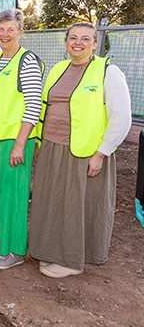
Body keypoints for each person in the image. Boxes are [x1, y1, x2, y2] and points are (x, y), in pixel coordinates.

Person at [29, 22, 131, 278]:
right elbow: (45, 107)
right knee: (52, 203)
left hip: (84, 153)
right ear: (66, 42)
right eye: (73, 37)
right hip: (52, 148)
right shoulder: (58, 69)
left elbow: (121, 118)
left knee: (74, 207)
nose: (78, 42)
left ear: (95, 44)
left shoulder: (108, 72)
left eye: (85, 38)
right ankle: (50, 250)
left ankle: (71, 261)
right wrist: (40, 143)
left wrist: (101, 153)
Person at [0, 9, 43, 269]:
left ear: (21, 32)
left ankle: (14, 250)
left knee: (13, 195)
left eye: (11, 30)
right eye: (1, 29)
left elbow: (33, 105)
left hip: (15, 139)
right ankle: (0, 238)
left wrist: (20, 144)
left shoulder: (27, 61)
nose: (5, 34)